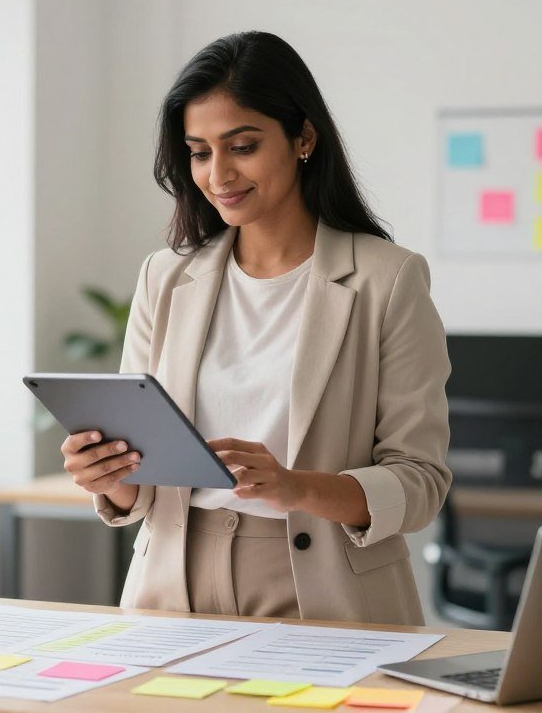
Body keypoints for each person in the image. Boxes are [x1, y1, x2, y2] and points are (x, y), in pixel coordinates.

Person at [61, 31, 451, 625]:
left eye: (242, 146)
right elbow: (140, 484)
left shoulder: (388, 279)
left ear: (303, 138)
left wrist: (296, 487)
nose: (218, 174)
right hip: (172, 584)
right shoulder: (164, 278)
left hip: (325, 589)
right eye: (198, 152)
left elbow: (421, 482)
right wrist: (108, 476)